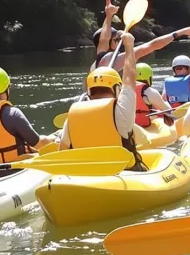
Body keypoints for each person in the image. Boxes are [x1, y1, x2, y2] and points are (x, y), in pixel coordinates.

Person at [62, 32, 145, 168]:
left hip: (85, 176)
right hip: (124, 174)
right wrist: (129, 46)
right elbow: (129, 77)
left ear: (89, 90)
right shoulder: (122, 110)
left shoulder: (73, 115)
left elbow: (64, 149)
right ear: (117, 89)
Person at [91, 0, 190, 71]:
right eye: (117, 39)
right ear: (112, 43)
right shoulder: (114, 59)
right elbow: (151, 45)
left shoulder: (98, 61)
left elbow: (104, 39)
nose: (119, 42)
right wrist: (179, 33)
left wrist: (109, 15)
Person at [134, 62, 174, 129]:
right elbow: (168, 110)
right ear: (149, 78)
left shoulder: (124, 89)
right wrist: (166, 102)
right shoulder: (150, 92)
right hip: (144, 127)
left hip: (129, 127)